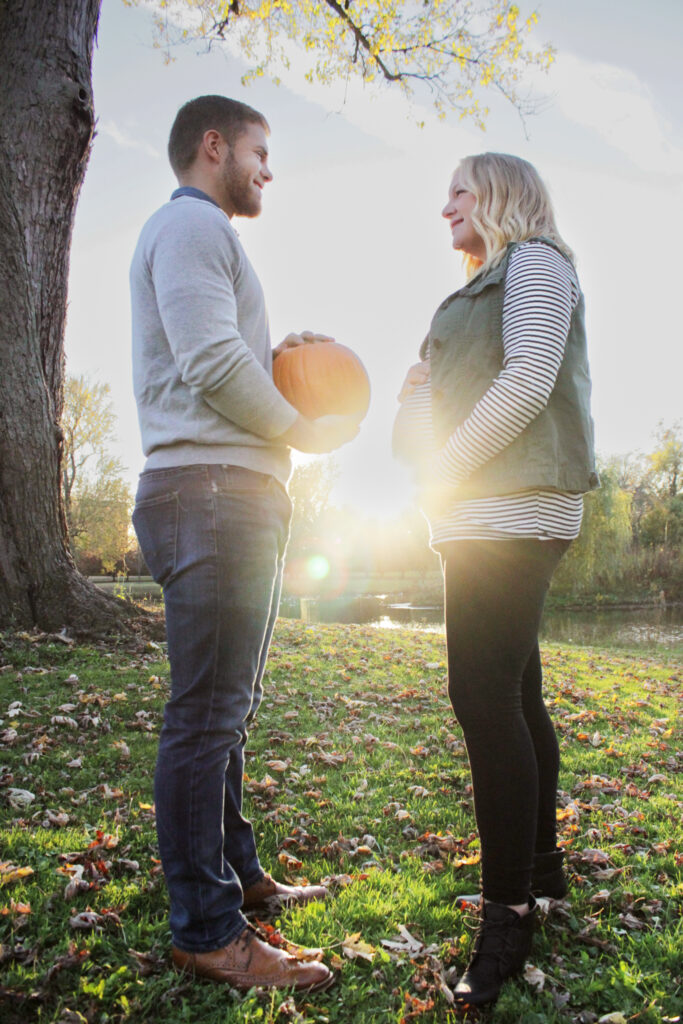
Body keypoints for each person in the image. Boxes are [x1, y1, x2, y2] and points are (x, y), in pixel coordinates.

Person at [130, 95, 358, 993]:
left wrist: (283, 356)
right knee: (205, 718)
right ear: (213, 146)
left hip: (229, 493)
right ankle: (207, 931)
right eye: (260, 151)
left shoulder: (207, 238)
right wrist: (301, 423)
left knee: (228, 712)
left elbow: (229, 355)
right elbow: (210, 365)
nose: (268, 169)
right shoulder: (191, 228)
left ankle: (236, 877)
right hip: (212, 495)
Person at [393, 152, 598, 1007]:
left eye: (458, 192)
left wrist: (443, 470)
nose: (443, 209)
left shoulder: (539, 263)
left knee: (480, 696)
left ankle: (507, 914)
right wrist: (413, 408)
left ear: (502, 195)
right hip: (471, 519)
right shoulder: (463, 295)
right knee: (515, 693)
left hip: (515, 510)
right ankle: (542, 871)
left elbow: (528, 380)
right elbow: (416, 428)